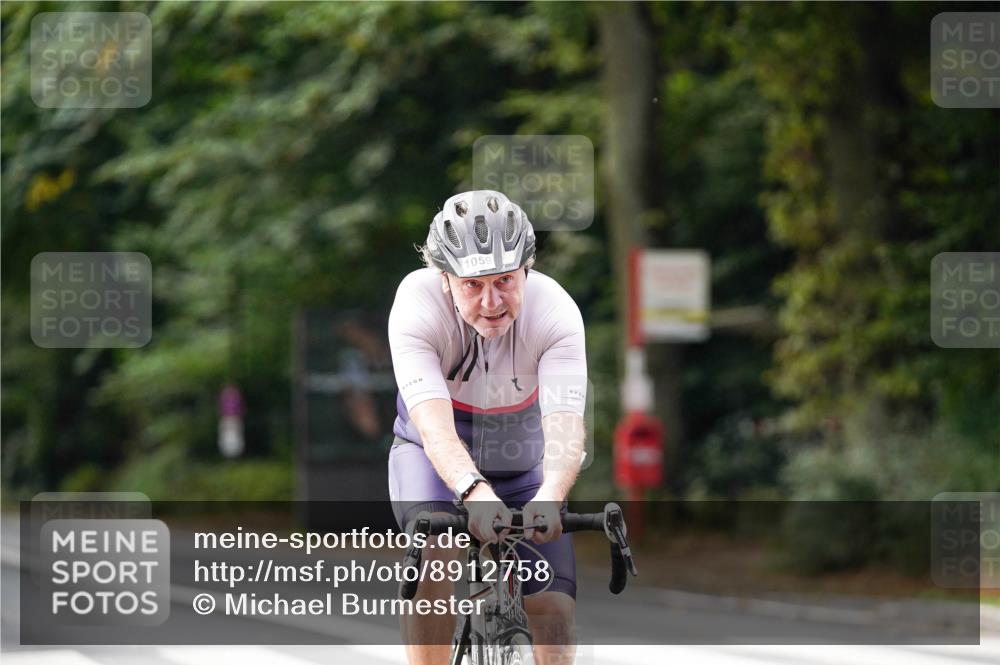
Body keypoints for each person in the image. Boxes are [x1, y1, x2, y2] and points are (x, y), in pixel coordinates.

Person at [387, 190, 587, 665]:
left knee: (554, 610)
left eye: (504, 280)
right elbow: (433, 427)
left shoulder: (555, 311)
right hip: (431, 460)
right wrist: (473, 492)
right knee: (437, 554)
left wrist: (551, 496)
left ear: (528, 269)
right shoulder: (416, 305)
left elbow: (564, 425)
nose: (492, 301)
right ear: (444, 280)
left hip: (522, 462)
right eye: (472, 285)